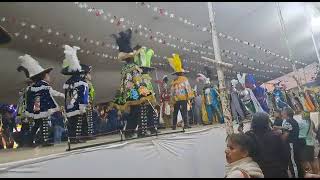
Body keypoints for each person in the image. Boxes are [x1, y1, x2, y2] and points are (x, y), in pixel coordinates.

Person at [18, 54, 64, 147]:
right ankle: (44, 141)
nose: (49, 77)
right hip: (42, 107)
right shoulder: (43, 86)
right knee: (43, 123)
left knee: (37, 124)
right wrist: (63, 95)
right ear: (43, 77)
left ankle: (30, 141)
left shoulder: (32, 88)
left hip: (36, 108)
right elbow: (52, 92)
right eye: (48, 75)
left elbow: (27, 96)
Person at [245, 112, 289, 178]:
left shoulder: (249, 137)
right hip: (278, 171)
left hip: (259, 172)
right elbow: (285, 155)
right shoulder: (275, 136)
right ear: (267, 122)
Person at [61, 45, 89, 144]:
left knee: (71, 123)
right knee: (78, 123)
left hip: (69, 106)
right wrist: (82, 107)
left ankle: (72, 138)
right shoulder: (82, 83)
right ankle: (77, 138)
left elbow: (66, 97)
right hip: (77, 106)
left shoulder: (68, 82)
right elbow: (83, 96)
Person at [168, 53, 194, 130]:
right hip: (183, 98)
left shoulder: (174, 81)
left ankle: (173, 126)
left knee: (175, 113)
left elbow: (172, 92)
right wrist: (190, 96)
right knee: (184, 112)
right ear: (182, 73)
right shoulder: (184, 79)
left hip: (176, 99)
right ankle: (186, 124)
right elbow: (188, 88)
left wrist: (172, 101)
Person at [281, 107, 304, 178]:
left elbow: (285, 135)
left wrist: (280, 141)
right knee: (296, 161)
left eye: (283, 112)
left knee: (293, 162)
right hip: (296, 143)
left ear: (286, 113)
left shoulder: (288, 122)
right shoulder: (293, 121)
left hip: (291, 145)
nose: (281, 113)